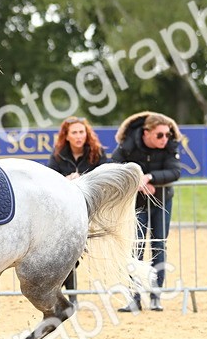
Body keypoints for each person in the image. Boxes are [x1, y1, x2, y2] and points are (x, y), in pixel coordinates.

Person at [109, 111, 182, 313]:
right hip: (136, 204)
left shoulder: (169, 146)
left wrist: (150, 178)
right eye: (160, 135)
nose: (165, 139)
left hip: (161, 201)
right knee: (135, 249)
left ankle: (156, 295)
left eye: (167, 135)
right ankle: (134, 297)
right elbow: (113, 167)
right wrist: (136, 181)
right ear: (146, 133)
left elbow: (175, 171)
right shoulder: (128, 144)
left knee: (158, 245)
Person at [48, 117, 107, 301]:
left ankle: (66, 286)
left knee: (78, 252)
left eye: (82, 132)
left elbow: (105, 177)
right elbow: (49, 179)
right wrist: (66, 180)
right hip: (67, 211)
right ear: (67, 136)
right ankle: (72, 296)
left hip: (91, 208)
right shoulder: (58, 154)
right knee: (71, 252)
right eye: (74, 132)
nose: (79, 136)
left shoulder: (97, 153)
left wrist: (82, 180)